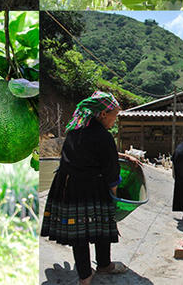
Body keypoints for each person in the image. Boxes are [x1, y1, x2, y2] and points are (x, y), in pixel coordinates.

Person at [40, 92, 129, 285]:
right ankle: (104, 265)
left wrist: (123, 155)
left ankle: (84, 275)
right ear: (103, 114)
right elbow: (111, 171)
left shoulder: (75, 131)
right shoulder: (104, 136)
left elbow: (88, 153)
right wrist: (114, 196)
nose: (115, 120)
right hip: (93, 187)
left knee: (79, 232)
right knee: (102, 225)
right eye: (114, 115)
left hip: (68, 186)